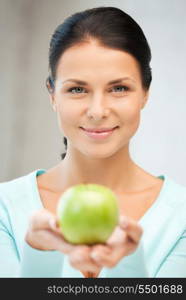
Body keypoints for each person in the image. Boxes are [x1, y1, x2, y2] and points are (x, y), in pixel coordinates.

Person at [0, 6, 186, 278]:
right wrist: (39, 254)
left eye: (118, 88)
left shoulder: (181, 217)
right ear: (52, 94)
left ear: (145, 92)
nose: (97, 111)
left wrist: (127, 262)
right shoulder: (4, 208)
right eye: (77, 89)